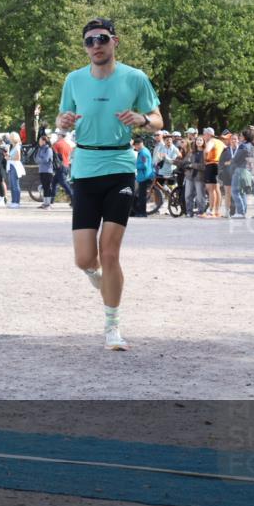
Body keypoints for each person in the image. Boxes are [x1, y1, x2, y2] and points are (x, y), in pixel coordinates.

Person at [56, 17, 162, 351]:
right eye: (89, 41)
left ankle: (112, 327)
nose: (96, 45)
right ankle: (99, 280)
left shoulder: (135, 78)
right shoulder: (73, 80)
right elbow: (62, 120)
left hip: (119, 167)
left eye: (101, 39)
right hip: (85, 169)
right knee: (85, 259)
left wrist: (142, 119)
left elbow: (158, 119)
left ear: (115, 41)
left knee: (110, 252)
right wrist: (62, 121)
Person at [201, 127, 225, 218]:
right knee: (217, 189)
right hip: (218, 165)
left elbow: (206, 151)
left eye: (204, 134)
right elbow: (225, 149)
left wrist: (205, 160)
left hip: (211, 165)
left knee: (211, 189)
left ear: (209, 134)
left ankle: (211, 210)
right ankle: (217, 210)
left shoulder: (211, 141)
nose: (203, 136)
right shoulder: (220, 142)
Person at [50, 129, 74, 204]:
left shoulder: (56, 144)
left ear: (61, 136)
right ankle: (51, 200)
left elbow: (53, 155)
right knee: (54, 182)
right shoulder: (68, 145)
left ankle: (74, 198)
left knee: (64, 184)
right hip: (66, 165)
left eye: (58, 135)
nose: (57, 136)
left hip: (60, 166)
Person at [132, 136, 153, 217]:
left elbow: (145, 165)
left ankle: (142, 213)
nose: (135, 147)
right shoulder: (142, 151)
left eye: (135, 145)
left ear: (140, 144)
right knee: (140, 195)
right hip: (142, 176)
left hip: (144, 176)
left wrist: (135, 165)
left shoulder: (144, 153)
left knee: (142, 196)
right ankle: (140, 212)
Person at [35, 134, 55, 209]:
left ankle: (48, 204)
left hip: (48, 171)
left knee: (47, 187)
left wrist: (40, 158)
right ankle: (45, 203)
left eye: (40, 140)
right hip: (41, 170)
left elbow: (46, 159)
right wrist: (40, 159)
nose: (39, 142)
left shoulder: (48, 149)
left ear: (44, 141)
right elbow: (36, 159)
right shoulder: (40, 149)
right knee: (44, 186)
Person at [6, 131, 24, 208]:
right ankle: (13, 201)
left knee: (15, 185)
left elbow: (18, 158)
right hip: (11, 166)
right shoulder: (13, 146)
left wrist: (9, 157)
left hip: (15, 166)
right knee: (12, 185)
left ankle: (16, 202)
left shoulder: (17, 146)